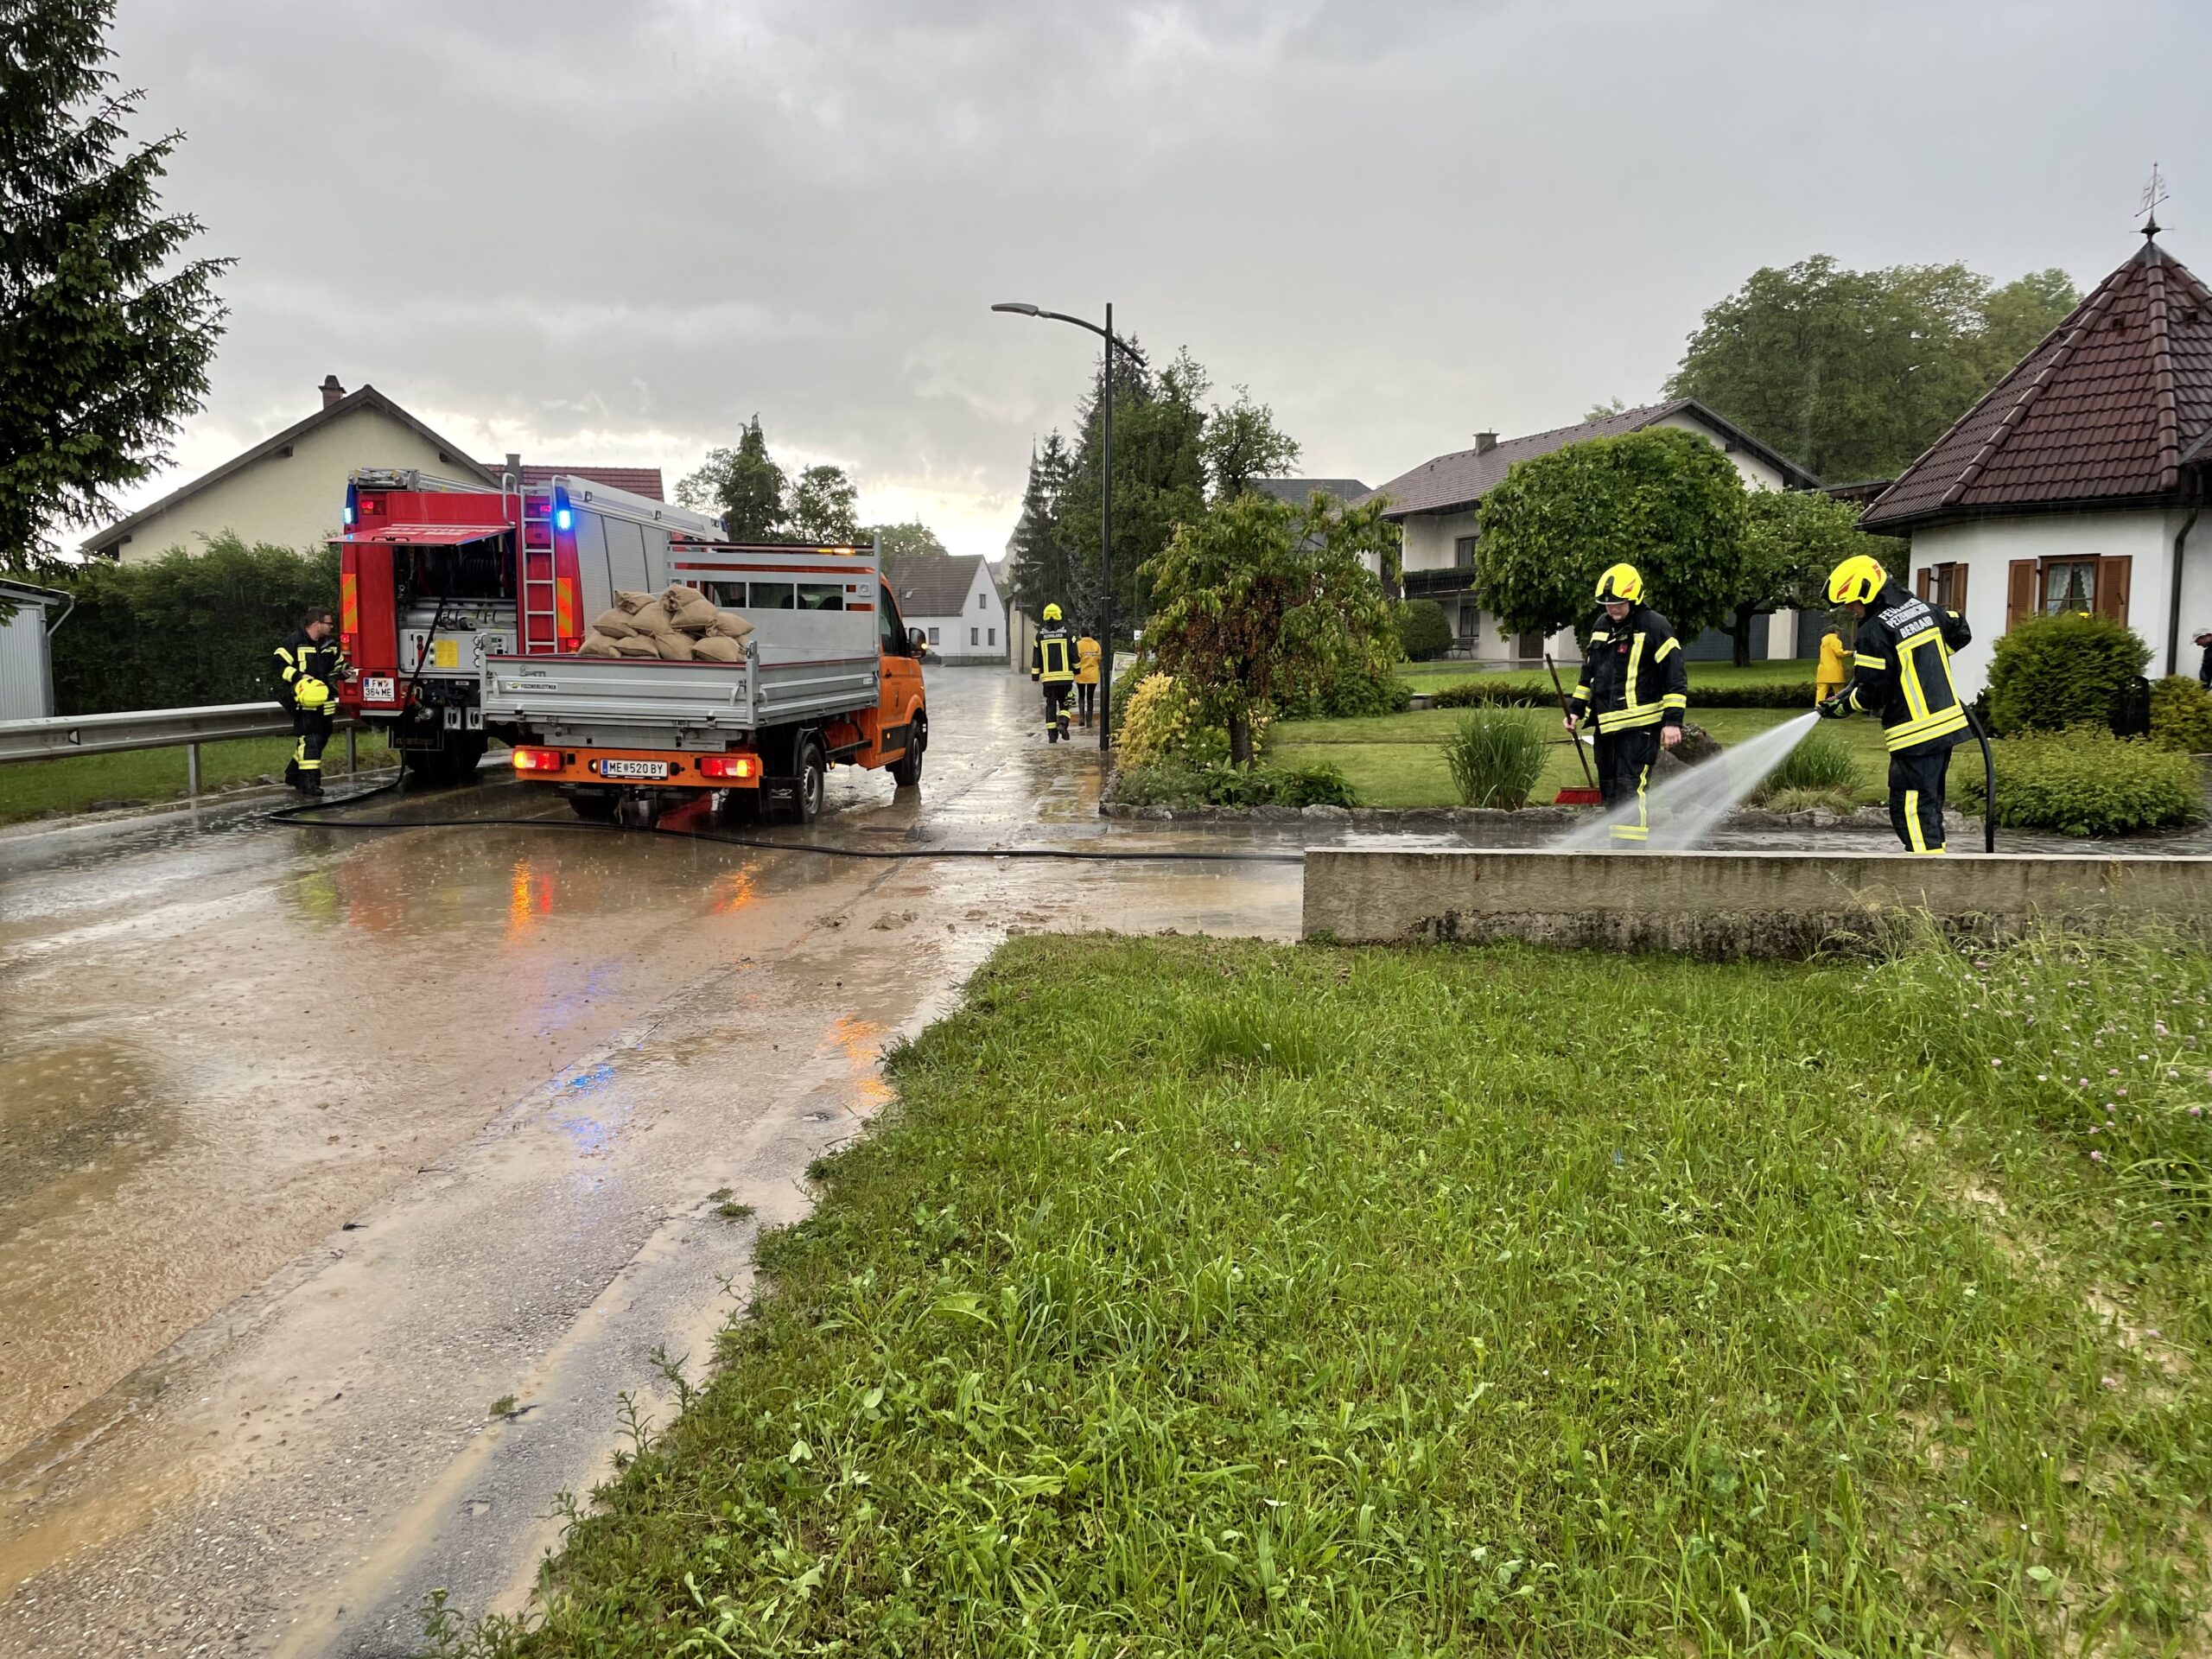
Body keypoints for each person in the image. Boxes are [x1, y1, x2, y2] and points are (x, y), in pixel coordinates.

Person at [1818, 555, 1972, 855]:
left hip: (1914, 733)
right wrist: (1925, 660)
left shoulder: (1874, 630)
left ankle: (1925, 884)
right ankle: (1937, 872)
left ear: (1869, 592)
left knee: (1911, 810)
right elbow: (1961, 630)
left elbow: (1873, 694)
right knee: (1928, 806)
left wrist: (1841, 708)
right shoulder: (1925, 609)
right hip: (1945, 726)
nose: (1850, 610)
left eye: (1851, 602)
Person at [1564, 563, 1688, 842]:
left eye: (1618, 603)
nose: (1612, 608)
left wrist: (1672, 722)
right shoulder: (1600, 628)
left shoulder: (1655, 626)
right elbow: (1589, 675)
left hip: (1641, 727)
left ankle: (1630, 858)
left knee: (1630, 788)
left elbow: (1675, 677)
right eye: (1607, 603)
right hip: (1606, 728)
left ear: (1634, 597)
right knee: (1610, 790)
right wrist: (1575, 711)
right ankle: (1617, 851)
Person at [274, 607, 349, 796]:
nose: (331, 626)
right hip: (304, 702)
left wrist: (344, 671)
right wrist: (299, 676)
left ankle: (293, 774)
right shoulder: (294, 642)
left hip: (325, 701)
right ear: (316, 624)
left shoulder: (330, 645)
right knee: (311, 740)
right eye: (328, 623)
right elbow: (278, 665)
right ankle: (309, 783)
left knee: (318, 739)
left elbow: (337, 665)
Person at [1031, 602, 1077, 743]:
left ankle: (1052, 736)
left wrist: (1035, 676)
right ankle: (1062, 722)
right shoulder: (1068, 633)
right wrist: (1078, 669)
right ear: (1059, 615)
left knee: (1050, 706)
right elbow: (1073, 654)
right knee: (1066, 703)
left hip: (1048, 680)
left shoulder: (1040, 636)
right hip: (1066, 679)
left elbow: (1036, 657)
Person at [1073, 626, 1102, 728]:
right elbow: (1099, 659)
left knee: (1081, 696)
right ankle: (1089, 720)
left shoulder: (1078, 645)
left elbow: (1075, 659)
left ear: (1081, 635)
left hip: (1081, 674)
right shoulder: (1096, 644)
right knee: (1090, 698)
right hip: (1093, 674)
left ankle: (1081, 717)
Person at [1815, 626, 1849, 705]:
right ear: (1836, 631)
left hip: (1823, 671)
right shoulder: (1836, 640)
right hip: (1834, 671)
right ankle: (1841, 706)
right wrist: (1850, 653)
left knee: (1821, 692)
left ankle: (1818, 707)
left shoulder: (1824, 640)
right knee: (1839, 692)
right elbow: (1839, 653)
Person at [2195, 625, 2212, 689]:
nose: (2197, 644)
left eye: (2197, 641)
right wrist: (2204, 688)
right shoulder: (2208, 651)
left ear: (2204, 637)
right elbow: (2206, 670)